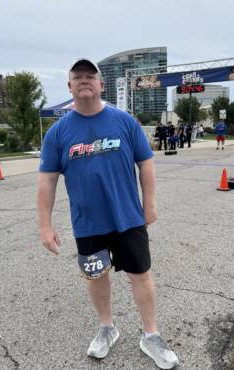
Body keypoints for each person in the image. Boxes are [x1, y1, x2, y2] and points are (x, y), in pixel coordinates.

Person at [37, 59, 178, 370]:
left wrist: (149, 203)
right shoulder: (58, 133)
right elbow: (47, 181)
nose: (85, 81)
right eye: (78, 77)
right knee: (96, 276)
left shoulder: (124, 122)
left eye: (91, 77)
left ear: (102, 85)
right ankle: (107, 328)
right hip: (88, 224)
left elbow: (146, 163)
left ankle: (151, 335)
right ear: (70, 87)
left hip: (128, 218)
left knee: (140, 275)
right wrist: (45, 226)